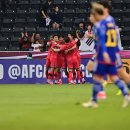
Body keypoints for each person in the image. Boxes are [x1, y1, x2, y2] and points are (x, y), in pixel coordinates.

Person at [82, 2, 129, 108]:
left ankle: (95, 99)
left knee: (109, 76)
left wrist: (103, 52)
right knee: (114, 77)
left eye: (92, 15)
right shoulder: (111, 21)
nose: (91, 17)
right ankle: (125, 95)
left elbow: (102, 40)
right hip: (111, 52)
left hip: (104, 53)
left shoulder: (101, 24)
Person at [98, 1, 130, 96]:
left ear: (105, 9)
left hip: (111, 51)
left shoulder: (107, 21)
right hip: (110, 50)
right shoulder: (108, 19)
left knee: (121, 73)